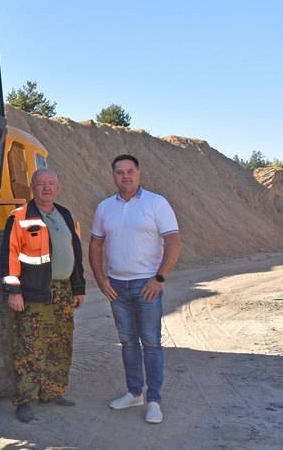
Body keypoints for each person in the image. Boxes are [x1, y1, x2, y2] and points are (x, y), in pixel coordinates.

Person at [89, 154, 181, 424]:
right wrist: (101, 280)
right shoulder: (105, 207)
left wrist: (159, 279)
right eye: (119, 172)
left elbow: (173, 242)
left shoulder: (156, 203)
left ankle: (153, 399)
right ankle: (133, 392)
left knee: (151, 343)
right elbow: (95, 245)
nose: (125, 176)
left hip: (146, 285)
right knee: (128, 342)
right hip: (116, 286)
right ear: (113, 175)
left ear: (139, 173)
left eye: (130, 171)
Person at [2, 169, 85, 423]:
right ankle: (26, 400)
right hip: (35, 291)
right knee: (29, 346)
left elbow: (76, 253)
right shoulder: (20, 217)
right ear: (32, 188)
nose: (46, 188)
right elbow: (9, 257)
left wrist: (78, 288)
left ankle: (53, 391)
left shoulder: (65, 215)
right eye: (41, 184)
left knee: (60, 344)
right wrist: (14, 291)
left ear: (58, 187)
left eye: (51, 184)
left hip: (63, 290)